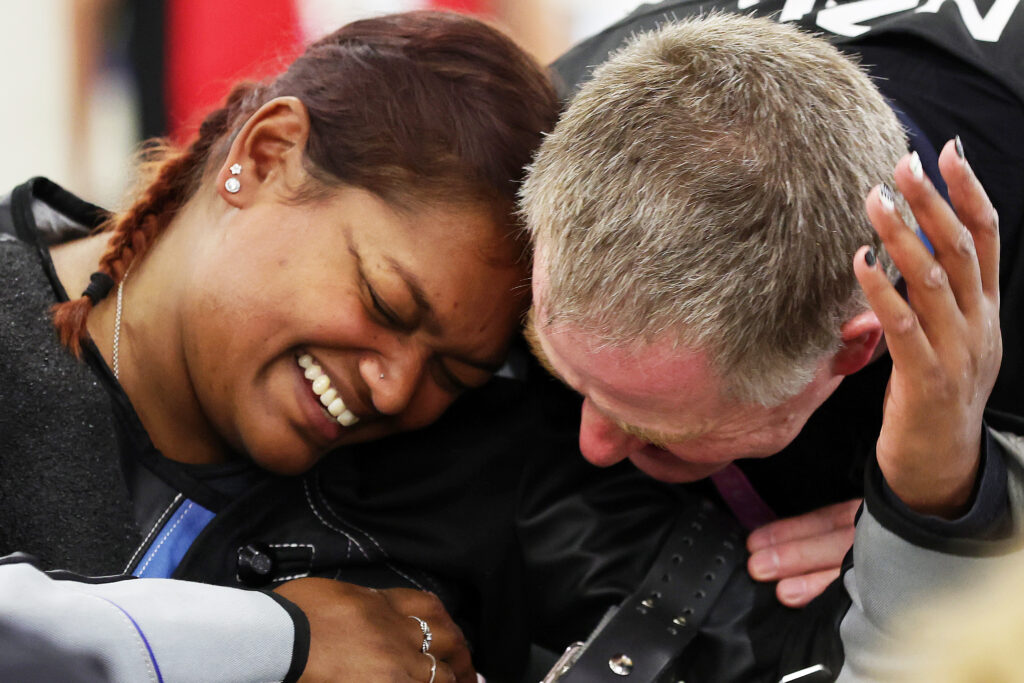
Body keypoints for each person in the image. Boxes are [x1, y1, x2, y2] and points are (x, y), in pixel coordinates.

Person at [0, 10, 560, 681]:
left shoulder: (455, 492)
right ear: (266, 155)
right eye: (386, 303)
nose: (396, 387)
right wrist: (277, 641)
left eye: (453, 372)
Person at [520, 5, 1024, 680]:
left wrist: (957, 515)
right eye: (558, 367)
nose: (595, 443)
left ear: (853, 349)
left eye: (651, 424)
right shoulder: (546, 114)